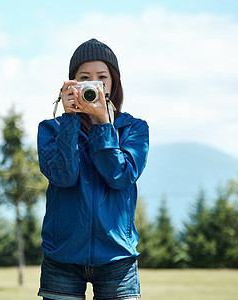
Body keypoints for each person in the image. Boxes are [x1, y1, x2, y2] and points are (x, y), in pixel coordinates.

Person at [37, 38, 149, 300]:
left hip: (117, 259)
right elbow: (63, 178)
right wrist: (69, 121)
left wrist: (102, 123)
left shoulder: (135, 129)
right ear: (71, 84)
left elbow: (120, 177)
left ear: (113, 83)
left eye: (102, 77)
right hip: (61, 257)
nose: (93, 84)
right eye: (84, 77)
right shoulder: (51, 129)